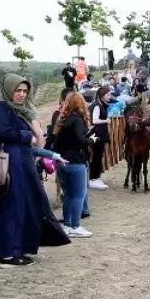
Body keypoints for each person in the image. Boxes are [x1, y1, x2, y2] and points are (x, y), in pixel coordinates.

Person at [0, 74, 70, 266]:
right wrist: (27, 136)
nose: (21, 95)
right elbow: (0, 131)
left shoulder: (18, 111)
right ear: (8, 90)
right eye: (17, 90)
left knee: (24, 206)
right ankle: (6, 253)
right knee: (10, 207)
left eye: (25, 91)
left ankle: (18, 249)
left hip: (21, 163)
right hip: (10, 164)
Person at [52, 91, 97, 238]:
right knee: (79, 195)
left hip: (61, 161)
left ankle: (67, 225)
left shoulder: (62, 120)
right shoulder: (77, 120)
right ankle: (76, 226)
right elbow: (80, 140)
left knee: (69, 195)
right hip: (76, 161)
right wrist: (92, 140)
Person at [88, 85, 112, 190]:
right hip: (97, 134)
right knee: (97, 156)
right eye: (108, 94)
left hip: (100, 134)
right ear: (103, 95)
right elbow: (95, 120)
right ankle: (94, 178)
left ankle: (96, 177)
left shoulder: (100, 104)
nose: (109, 96)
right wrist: (106, 120)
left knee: (98, 156)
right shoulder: (97, 105)